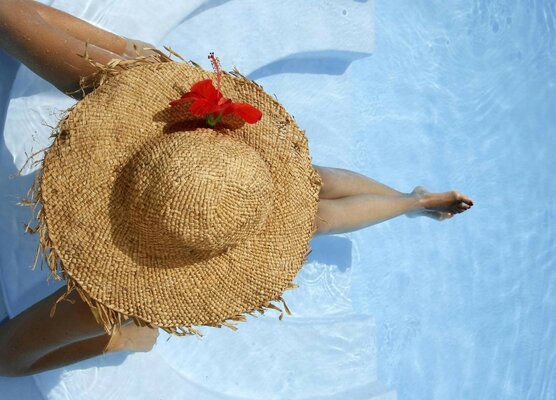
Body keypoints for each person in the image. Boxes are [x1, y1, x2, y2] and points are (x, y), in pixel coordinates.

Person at [0, 0, 474, 377]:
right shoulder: (103, 300)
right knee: (317, 198)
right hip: (231, 186)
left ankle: (416, 200)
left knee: (319, 203)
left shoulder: (116, 81)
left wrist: (121, 47)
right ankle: (416, 200)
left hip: (176, 145)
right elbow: (6, 361)